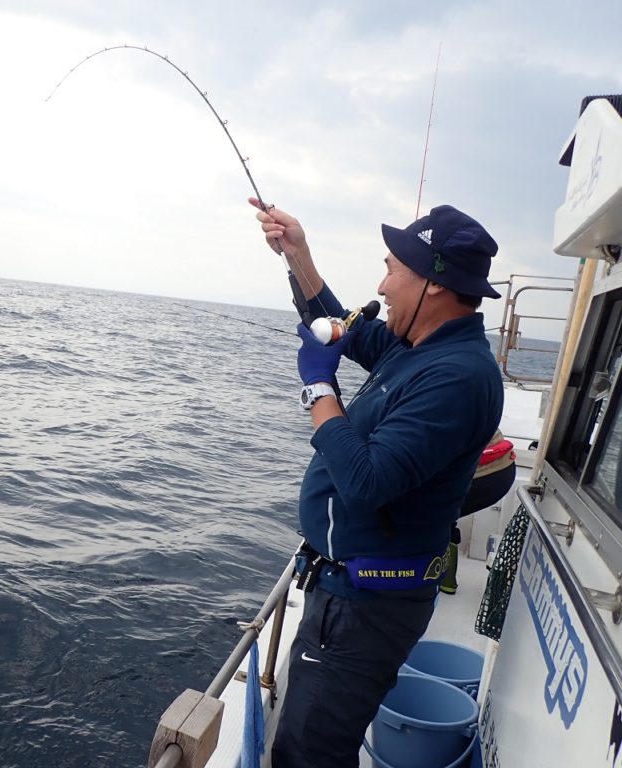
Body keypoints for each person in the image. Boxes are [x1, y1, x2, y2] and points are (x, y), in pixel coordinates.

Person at [251, 199, 505, 768]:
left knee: (308, 753)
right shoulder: (415, 346)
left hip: (365, 607)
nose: (381, 286)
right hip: (348, 592)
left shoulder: (457, 376)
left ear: (433, 283)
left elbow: (366, 482)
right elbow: (339, 325)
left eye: (392, 270)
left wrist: (319, 390)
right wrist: (298, 255)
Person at [440, 429, 516, 594]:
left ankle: (436, 579)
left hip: (483, 473)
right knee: (440, 515)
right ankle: (445, 581)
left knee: (426, 513)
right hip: (502, 468)